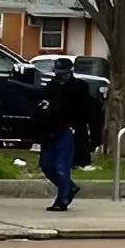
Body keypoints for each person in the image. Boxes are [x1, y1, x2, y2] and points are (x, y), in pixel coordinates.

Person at [33, 68, 97, 211]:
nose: (62, 76)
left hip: (67, 130)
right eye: (59, 72)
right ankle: (69, 187)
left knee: (61, 167)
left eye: (65, 73)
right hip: (50, 131)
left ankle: (62, 200)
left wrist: (87, 134)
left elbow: (87, 111)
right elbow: (44, 107)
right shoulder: (51, 86)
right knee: (46, 165)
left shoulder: (79, 87)